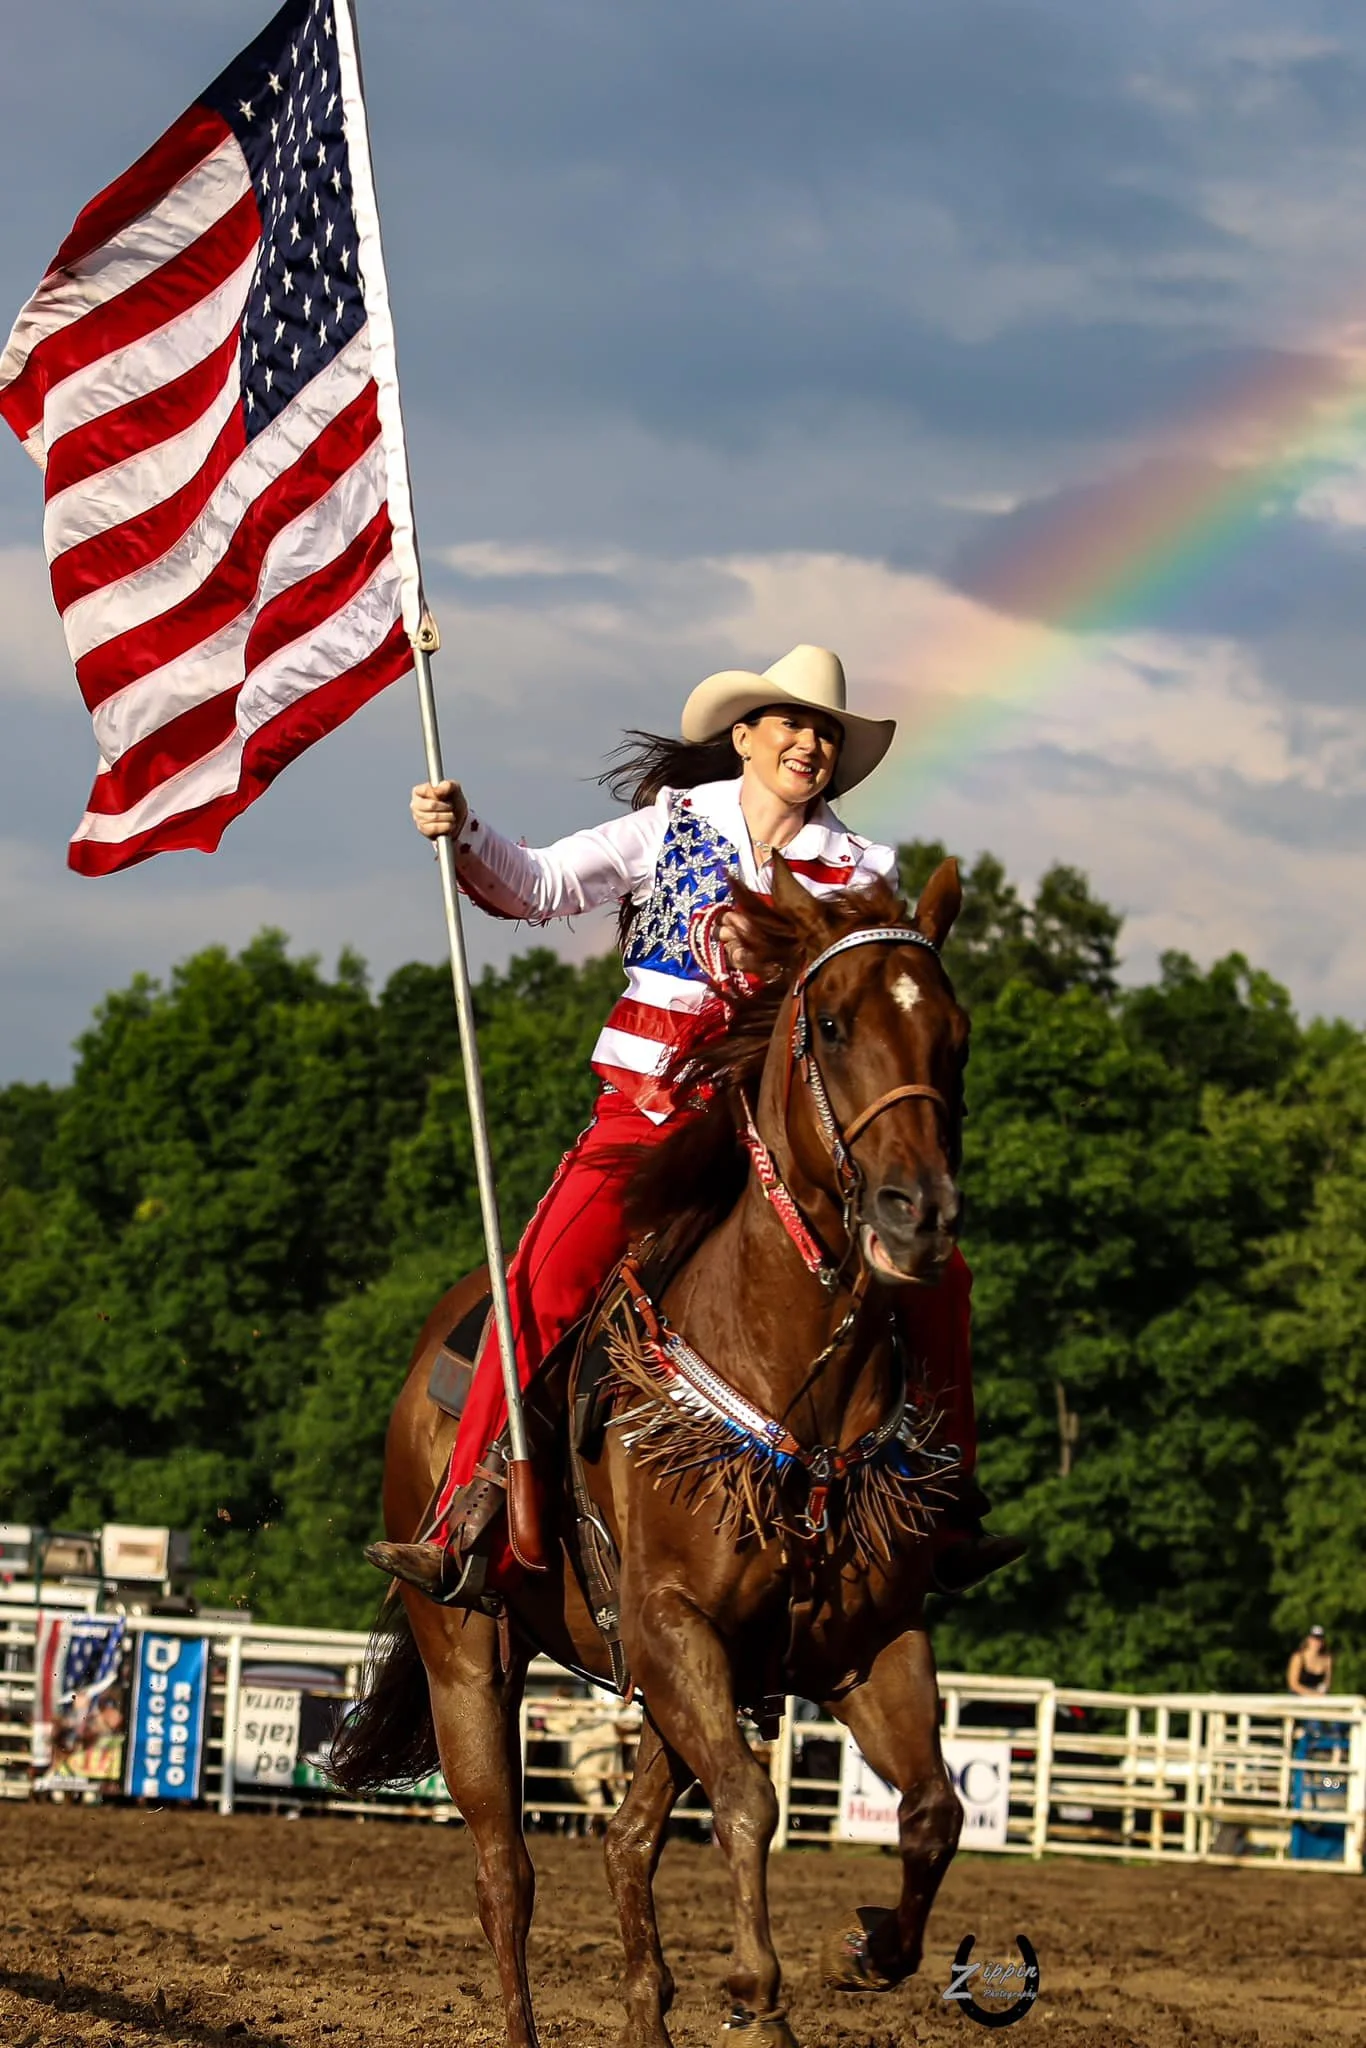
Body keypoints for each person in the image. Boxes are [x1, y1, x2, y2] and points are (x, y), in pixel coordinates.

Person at [371, 645, 1024, 1606]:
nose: (810, 742)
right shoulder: (669, 827)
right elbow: (540, 885)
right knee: (545, 1277)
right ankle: (469, 1508)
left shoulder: (859, 870)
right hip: (648, 1120)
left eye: (827, 732)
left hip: (783, 1144)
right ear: (745, 736)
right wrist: (464, 831)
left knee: (945, 1274)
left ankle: (947, 1505)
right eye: (793, 724)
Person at [1287, 1626, 1333, 1697]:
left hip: (1318, 1698)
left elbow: (1327, 1682)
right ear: (1308, 1639)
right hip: (1298, 1697)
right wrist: (1311, 1694)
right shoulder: (1298, 1658)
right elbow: (1293, 1684)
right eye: (1314, 1639)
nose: (1317, 1642)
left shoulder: (1327, 1659)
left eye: (1320, 1639)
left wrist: (1322, 1691)